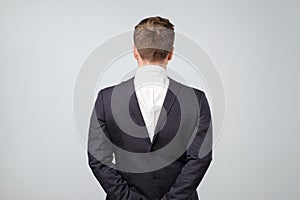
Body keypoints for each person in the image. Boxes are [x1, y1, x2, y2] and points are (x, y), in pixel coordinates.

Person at [87, 16, 213, 200]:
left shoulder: (106, 99)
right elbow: (199, 159)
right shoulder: (197, 99)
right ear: (170, 53)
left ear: (135, 52)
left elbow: (98, 160)